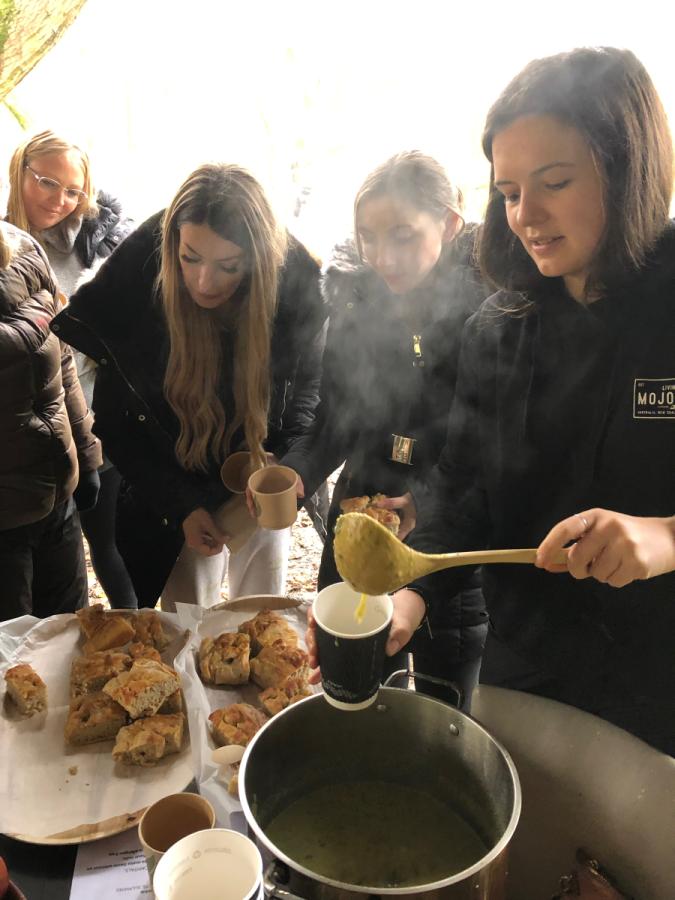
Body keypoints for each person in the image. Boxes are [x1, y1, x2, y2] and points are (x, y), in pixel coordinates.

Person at [380, 48, 675, 754]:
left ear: (628, 167)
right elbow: (461, 490)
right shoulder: (499, 329)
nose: (524, 215)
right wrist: (410, 589)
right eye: (508, 192)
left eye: (553, 182)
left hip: (656, 678)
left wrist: (665, 535)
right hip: (524, 664)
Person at [51, 163, 325, 609]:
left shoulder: (292, 293)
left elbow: (308, 395)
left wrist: (290, 463)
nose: (203, 283)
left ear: (257, 263)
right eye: (190, 258)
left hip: (259, 478)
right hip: (172, 482)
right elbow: (118, 427)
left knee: (263, 613)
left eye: (228, 266)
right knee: (184, 620)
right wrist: (180, 507)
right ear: (172, 244)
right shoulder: (138, 292)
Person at [282, 151, 491, 709]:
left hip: (449, 549)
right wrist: (297, 472)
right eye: (368, 237)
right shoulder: (351, 303)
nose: (383, 257)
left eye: (402, 235)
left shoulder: (491, 320)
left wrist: (421, 508)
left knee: (447, 706)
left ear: (449, 225)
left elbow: (484, 462)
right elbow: (332, 419)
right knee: (352, 691)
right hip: (358, 534)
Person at [6, 130, 137, 609]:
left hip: (94, 416)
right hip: (24, 442)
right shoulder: (8, 246)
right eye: (46, 182)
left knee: (108, 542)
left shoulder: (94, 246)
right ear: (19, 170)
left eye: (73, 191)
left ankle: (140, 630)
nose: (59, 200)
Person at [0, 219, 102, 619]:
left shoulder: (23, 249)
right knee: (13, 659)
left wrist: (88, 453)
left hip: (57, 498)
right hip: (4, 524)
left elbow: (62, 362)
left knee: (70, 632)